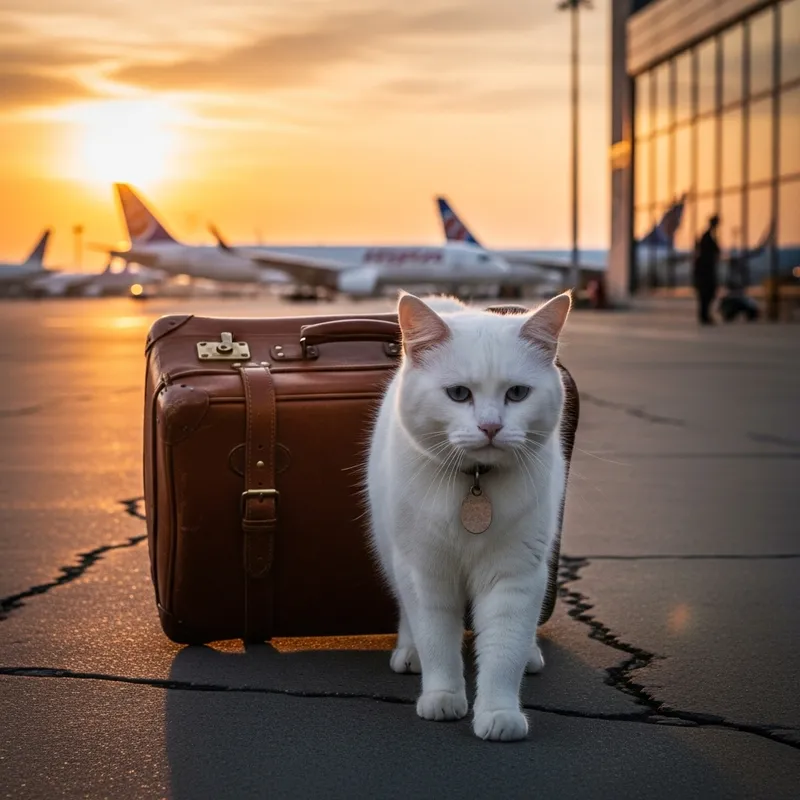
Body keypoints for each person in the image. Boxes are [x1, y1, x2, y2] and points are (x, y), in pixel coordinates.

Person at [692, 214, 721, 325]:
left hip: (705, 270)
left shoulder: (708, 236)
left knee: (707, 294)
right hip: (705, 271)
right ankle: (704, 316)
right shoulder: (707, 237)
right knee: (706, 294)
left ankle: (704, 315)